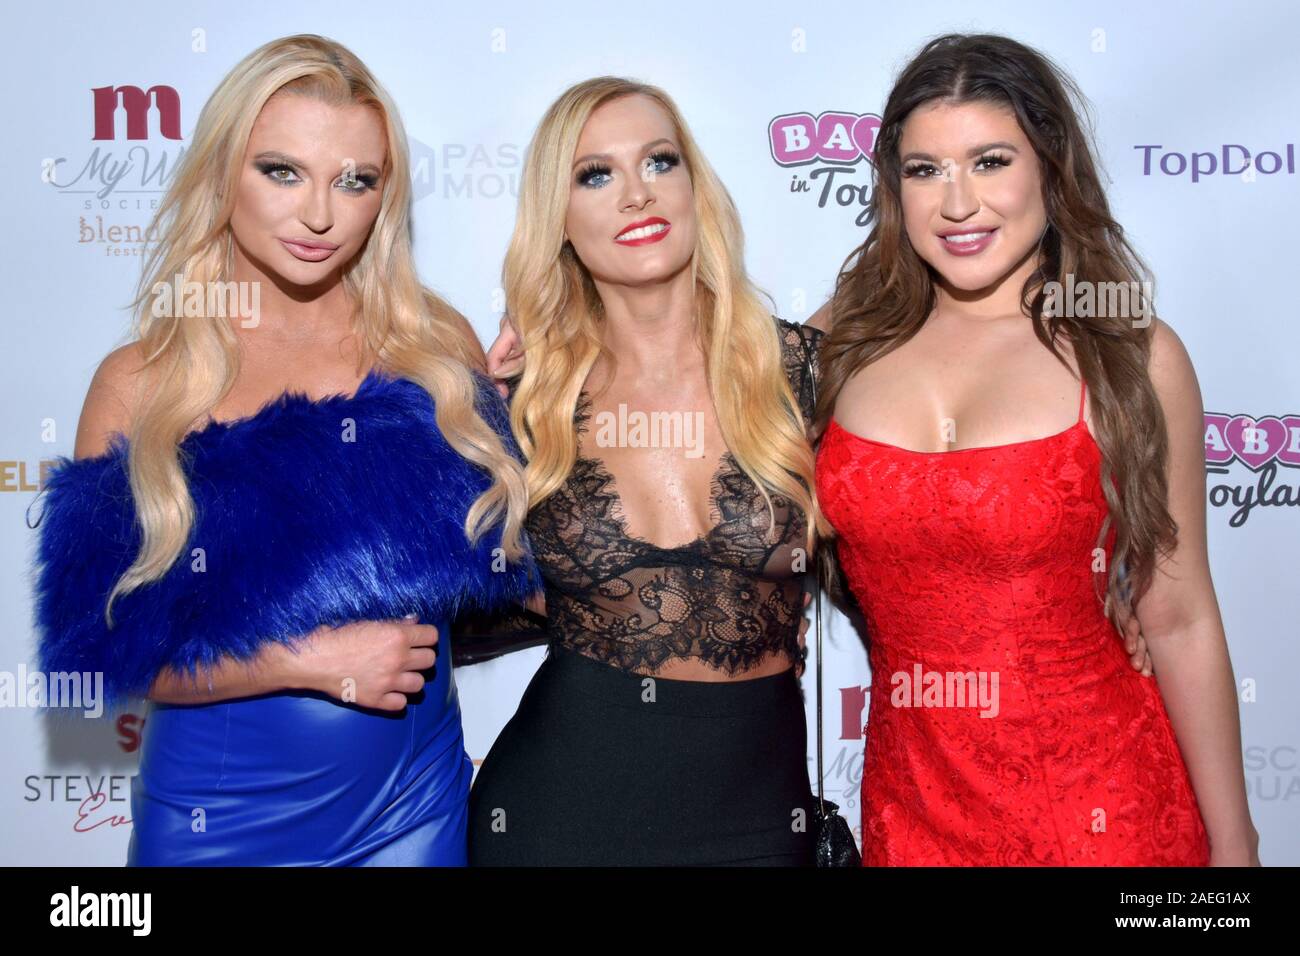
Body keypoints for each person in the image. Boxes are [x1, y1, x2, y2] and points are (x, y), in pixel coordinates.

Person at [32, 34, 538, 866]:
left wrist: (520, 413)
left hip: (412, 813)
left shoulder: (434, 346)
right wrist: (301, 661)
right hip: (217, 825)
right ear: (223, 172)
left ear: (386, 195)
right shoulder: (141, 382)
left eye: (355, 180)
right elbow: (95, 655)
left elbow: (497, 567)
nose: (319, 214)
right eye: (282, 171)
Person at [811, 33, 1259, 865]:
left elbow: (1181, 614)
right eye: (924, 169)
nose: (957, 203)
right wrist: (537, 356)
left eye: (989, 161)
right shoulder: (843, 350)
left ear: (1051, 169)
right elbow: (692, 391)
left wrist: (1236, 850)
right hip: (910, 815)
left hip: (1103, 808)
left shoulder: (1129, 355)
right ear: (892, 187)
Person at [465, 77, 826, 866]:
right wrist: (480, 441)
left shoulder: (801, 372)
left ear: (696, 185)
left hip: (761, 823)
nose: (636, 194)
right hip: (557, 820)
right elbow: (443, 618)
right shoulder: (526, 402)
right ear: (558, 221)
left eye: (658, 162)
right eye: (594, 175)